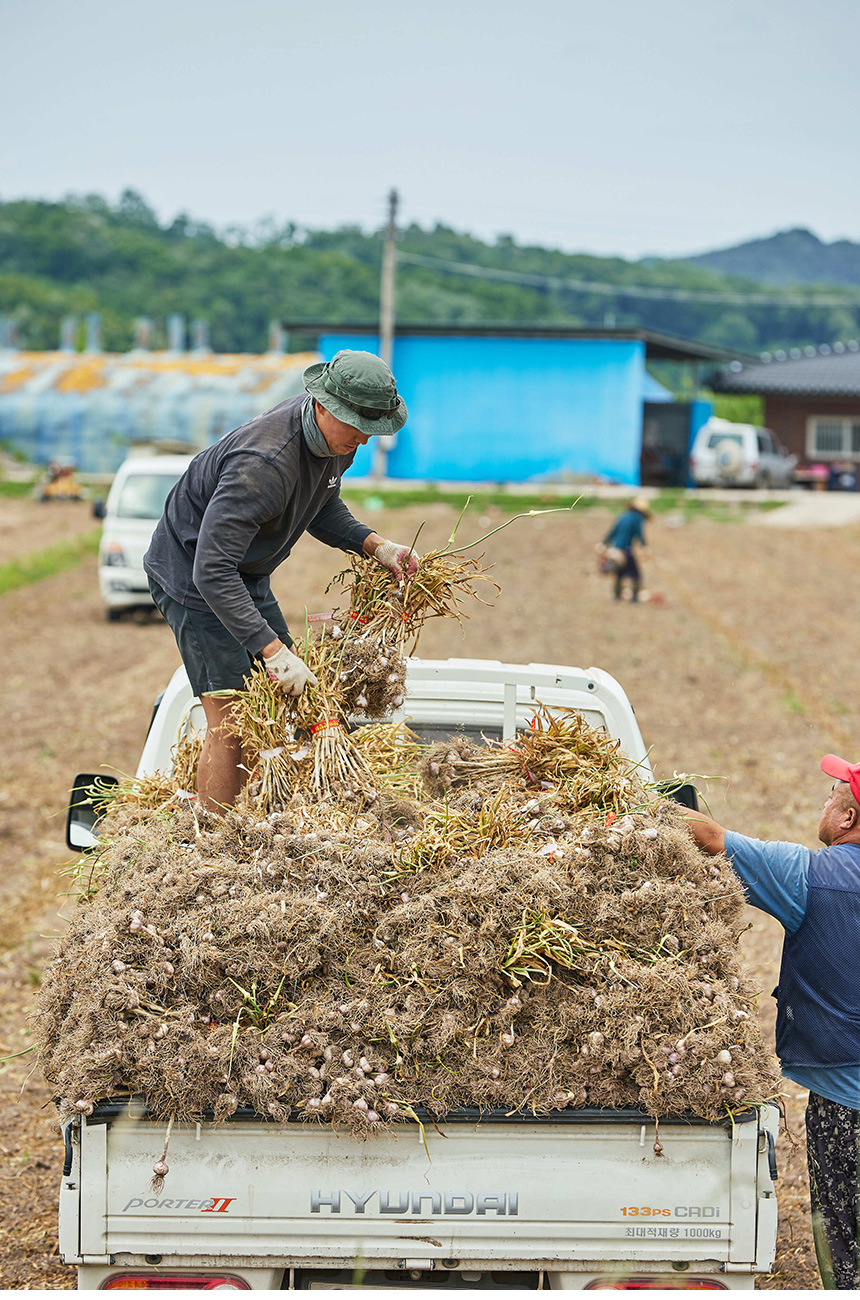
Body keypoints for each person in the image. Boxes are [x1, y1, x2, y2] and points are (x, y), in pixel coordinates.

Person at [144, 349, 418, 812]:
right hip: (195, 581)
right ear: (326, 407)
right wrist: (273, 652)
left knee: (289, 697)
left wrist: (376, 546)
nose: (364, 442)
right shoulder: (264, 464)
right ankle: (212, 847)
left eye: (372, 432)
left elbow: (321, 503)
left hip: (243, 574)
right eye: (358, 429)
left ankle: (264, 817)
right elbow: (210, 569)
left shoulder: (335, 443)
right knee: (232, 721)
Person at [686, 754, 860, 1290]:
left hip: (847, 1103)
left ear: (849, 818)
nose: (824, 801)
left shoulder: (811, 877)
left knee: (844, 1247)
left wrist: (639, 805)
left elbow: (712, 839)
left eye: (834, 792)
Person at [602, 495, 650, 602]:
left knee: (620, 572)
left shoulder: (623, 516)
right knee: (636, 574)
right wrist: (644, 546)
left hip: (616, 548)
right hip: (627, 549)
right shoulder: (637, 518)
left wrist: (604, 543)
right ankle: (634, 597)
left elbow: (613, 532)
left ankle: (617, 596)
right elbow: (639, 534)